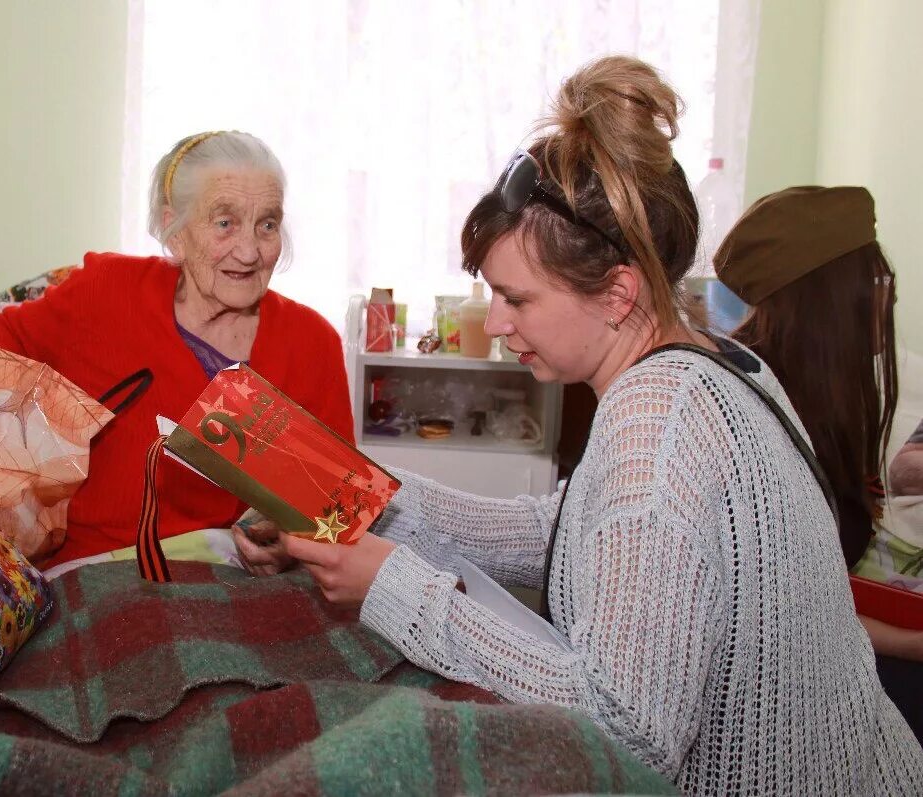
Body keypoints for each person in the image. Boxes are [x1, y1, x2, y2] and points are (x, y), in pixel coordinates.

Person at [233, 56, 923, 793]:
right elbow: (572, 527)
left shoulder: (657, 432)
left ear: (618, 292)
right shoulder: (709, 359)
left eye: (517, 299)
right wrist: (369, 498)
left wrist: (394, 588)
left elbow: (625, 734)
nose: (495, 323)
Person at [0, 131, 354, 566]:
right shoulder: (107, 291)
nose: (250, 251)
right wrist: (43, 448)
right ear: (174, 230)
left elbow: (335, 516)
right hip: (99, 568)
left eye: (267, 224)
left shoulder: (313, 342)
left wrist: (289, 551)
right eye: (224, 223)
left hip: (236, 579)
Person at [713, 185, 923, 741]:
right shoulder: (758, 417)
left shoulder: (816, 396)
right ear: (830, 295)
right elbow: (785, 618)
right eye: (878, 282)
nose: (891, 297)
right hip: (775, 697)